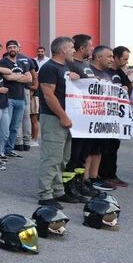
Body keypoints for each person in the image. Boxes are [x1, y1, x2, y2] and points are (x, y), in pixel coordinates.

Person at [37, 36, 82, 208]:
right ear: (62, 50)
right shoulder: (49, 68)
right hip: (54, 118)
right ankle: (45, 195)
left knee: (63, 158)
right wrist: (63, 116)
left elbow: (69, 83)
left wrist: (74, 76)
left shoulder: (64, 67)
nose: (73, 50)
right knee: (51, 158)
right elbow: (49, 95)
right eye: (71, 47)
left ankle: (58, 191)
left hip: (65, 119)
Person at [63, 34, 99, 200]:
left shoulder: (85, 65)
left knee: (83, 154)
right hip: (76, 116)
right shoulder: (69, 64)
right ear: (82, 48)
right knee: (74, 154)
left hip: (88, 117)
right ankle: (68, 186)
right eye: (90, 46)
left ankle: (79, 183)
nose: (92, 48)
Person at [99, 45, 132, 187]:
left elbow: (129, 85)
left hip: (116, 116)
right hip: (102, 116)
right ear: (116, 57)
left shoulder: (119, 72)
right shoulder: (102, 71)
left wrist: (128, 87)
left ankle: (111, 174)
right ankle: (101, 175)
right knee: (102, 148)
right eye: (124, 59)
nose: (126, 62)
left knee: (114, 146)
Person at [85, 46, 117, 191]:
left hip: (103, 120)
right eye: (109, 56)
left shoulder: (106, 74)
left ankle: (94, 177)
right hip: (88, 119)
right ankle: (85, 179)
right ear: (98, 57)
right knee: (88, 151)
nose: (112, 59)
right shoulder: (87, 71)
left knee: (98, 150)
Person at [0, 40, 34, 157]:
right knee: (6, 126)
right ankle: (1, 151)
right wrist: (21, 76)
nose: (12, 49)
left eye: (14, 47)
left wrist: (15, 77)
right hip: (9, 98)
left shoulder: (22, 62)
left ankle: (9, 149)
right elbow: (7, 77)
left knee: (15, 127)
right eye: (9, 47)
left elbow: (29, 79)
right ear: (7, 49)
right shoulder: (3, 62)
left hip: (21, 98)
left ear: (18, 49)